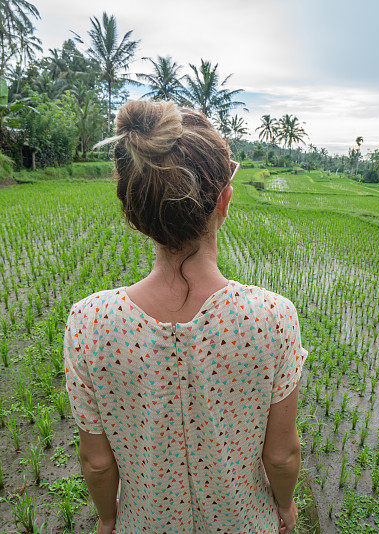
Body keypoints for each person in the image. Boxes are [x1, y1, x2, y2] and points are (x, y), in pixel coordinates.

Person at [63, 100, 308, 534]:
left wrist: (106, 518)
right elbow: (282, 455)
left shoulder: (90, 322)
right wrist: (285, 506)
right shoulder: (272, 318)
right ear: (225, 201)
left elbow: (97, 463)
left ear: (133, 211)